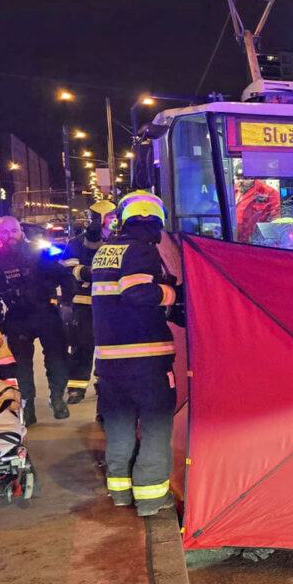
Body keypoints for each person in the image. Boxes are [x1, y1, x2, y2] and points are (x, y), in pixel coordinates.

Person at [92, 191, 181, 516]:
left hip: (111, 362)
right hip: (146, 361)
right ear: (157, 221)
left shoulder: (105, 252)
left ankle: (120, 490)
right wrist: (173, 293)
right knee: (157, 425)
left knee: (118, 423)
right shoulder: (141, 251)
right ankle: (151, 497)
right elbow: (137, 294)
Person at [0, 216, 73, 425]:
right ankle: (27, 405)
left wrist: (67, 303)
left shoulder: (42, 251)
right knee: (21, 365)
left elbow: (66, 275)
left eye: (13, 231)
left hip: (46, 313)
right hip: (17, 317)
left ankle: (57, 398)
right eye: (4, 232)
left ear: (20, 230)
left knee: (58, 358)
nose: (10, 236)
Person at [62, 201, 117, 404]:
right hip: (85, 302)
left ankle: (104, 383)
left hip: (113, 303)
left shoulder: (119, 241)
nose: (115, 221)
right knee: (82, 345)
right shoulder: (76, 243)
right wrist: (89, 272)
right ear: (99, 219)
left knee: (109, 347)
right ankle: (76, 388)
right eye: (110, 217)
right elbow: (69, 269)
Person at [234, 176, 281, 243]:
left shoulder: (268, 192)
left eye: (245, 178)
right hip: (234, 241)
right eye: (238, 178)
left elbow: (277, 220)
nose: (241, 181)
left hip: (256, 243)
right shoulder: (232, 191)